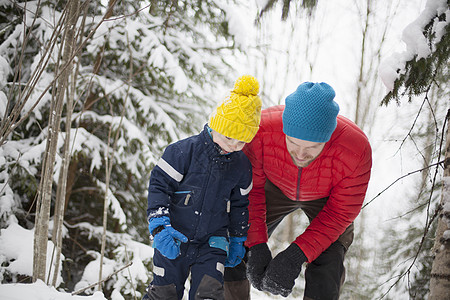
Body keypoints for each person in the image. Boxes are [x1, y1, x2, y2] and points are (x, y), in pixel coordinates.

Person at [223, 81, 372, 300]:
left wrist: (295, 255)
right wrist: (256, 245)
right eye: (293, 143)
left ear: (328, 137)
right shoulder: (261, 131)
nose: (300, 155)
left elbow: (340, 213)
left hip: (326, 198)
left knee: (330, 255)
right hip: (272, 186)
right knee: (235, 237)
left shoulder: (355, 150)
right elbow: (249, 192)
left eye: (312, 147)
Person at [142, 75, 262, 300]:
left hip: (212, 243)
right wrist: (159, 226)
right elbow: (159, 186)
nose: (234, 146)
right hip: (174, 236)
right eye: (229, 138)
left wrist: (237, 239)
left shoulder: (241, 165)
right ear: (216, 124)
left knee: (209, 295)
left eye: (241, 141)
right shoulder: (181, 152)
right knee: (164, 294)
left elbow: (240, 205)